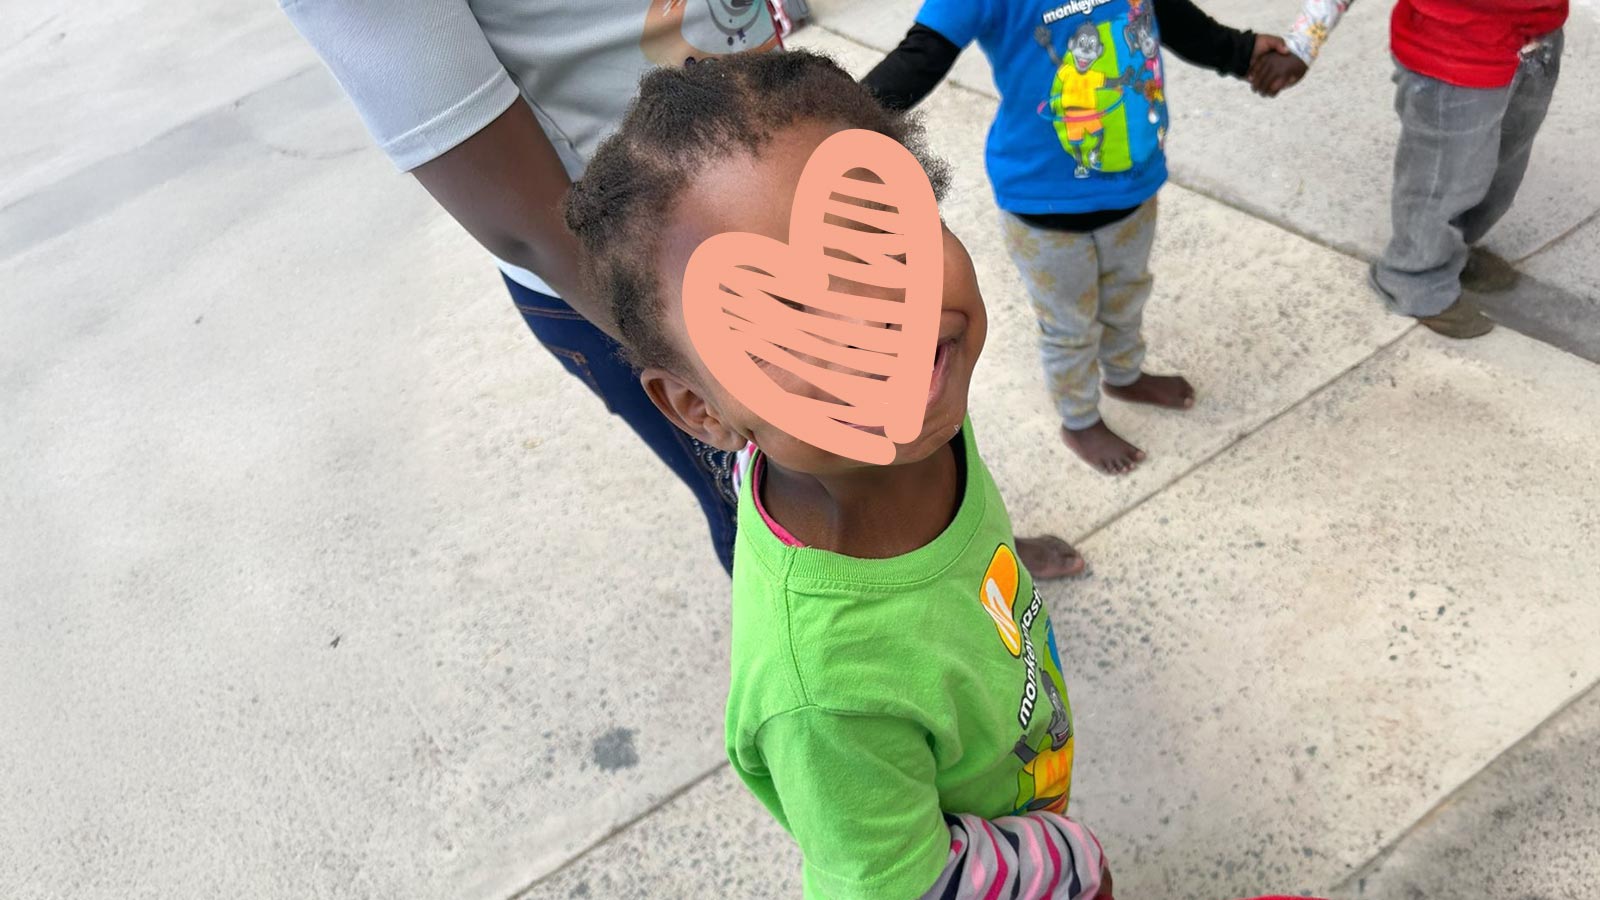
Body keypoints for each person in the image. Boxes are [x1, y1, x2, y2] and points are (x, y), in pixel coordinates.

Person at [280, 0, 1085, 579]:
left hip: (787, 180)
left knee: (910, 417)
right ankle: (872, 665)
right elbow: (516, 212)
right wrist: (728, 368)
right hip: (635, 289)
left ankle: (970, 567)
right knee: (790, 504)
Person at [565, 49, 1111, 899]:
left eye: (881, 244)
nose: (882, 332)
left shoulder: (917, 422)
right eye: (787, 324)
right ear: (699, 409)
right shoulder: (823, 693)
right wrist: (1067, 864)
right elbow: (901, 882)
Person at [863, 0, 1290, 475]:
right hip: (1043, 200)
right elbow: (918, 58)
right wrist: (836, 129)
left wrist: (1243, 51)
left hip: (1133, 183)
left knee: (1128, 293)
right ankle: (1079, 418)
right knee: (1069, 324)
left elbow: (1172, 15)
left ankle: (1124, 375)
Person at [1248, 0, 1569, 339]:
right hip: (1452, 50)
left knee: (1502, 165)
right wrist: (1303, 42)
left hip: (1537, 36)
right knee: (1442, 180)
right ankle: (1415, 277)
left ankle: (1450, 249)